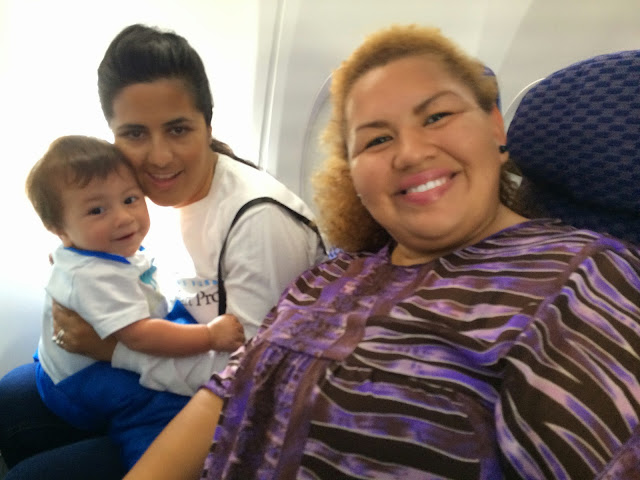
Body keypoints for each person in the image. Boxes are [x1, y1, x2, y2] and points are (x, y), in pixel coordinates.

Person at [122, 24, 640, 480]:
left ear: (495, 128)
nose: (410, 152)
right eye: (376, 140)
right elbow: (227, 392)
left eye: (436, 116)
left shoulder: (583, 277)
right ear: (353, 176)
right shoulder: (329, 278)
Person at [0, 24, 325, 479]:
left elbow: (251, 378)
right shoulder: (143, 197)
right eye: (135, 133)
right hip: (172, 354)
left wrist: (114, 353)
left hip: (231, 413)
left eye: (177, 129)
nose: (159, 157)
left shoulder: (259, 225)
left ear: (207, 124)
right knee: (9, 400)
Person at [25, 135, 245, 470]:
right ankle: (153, 462)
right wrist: (210, 336)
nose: (124, 217)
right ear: (59, 229)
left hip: (58, 365)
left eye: (130, 199)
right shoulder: (94, 275)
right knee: (158, 406)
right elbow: (140, 337)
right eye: (97, 210)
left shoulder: (96, 248)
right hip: (80, 383)